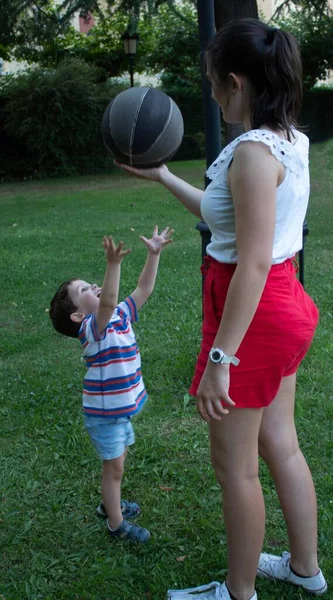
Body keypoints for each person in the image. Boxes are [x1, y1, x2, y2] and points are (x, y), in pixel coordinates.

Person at [116, 18, 327, 600]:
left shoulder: (255, 156)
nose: (211, 94)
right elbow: (225, 216)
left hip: (253, 311)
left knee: (234, 466)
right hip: (281, 305)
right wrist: (162, 175)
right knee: (279, 440)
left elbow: (250, 263)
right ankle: (305, 569)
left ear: (235, 82)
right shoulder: (287, 138)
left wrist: (219, 357)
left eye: (213, 83)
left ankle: (237, 593)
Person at [49, 226, 173, 543]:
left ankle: (110, 504)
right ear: (78, 316)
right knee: (113, 470)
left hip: (119, 410)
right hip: (105, 415)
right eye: (84, 291)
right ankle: (115, 524)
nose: (94, 287)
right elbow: (107, 303)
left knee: (118, 463)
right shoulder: (92, 329)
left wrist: (153, 254)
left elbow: (143, 289)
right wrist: (113, 265)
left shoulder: (119, 315)